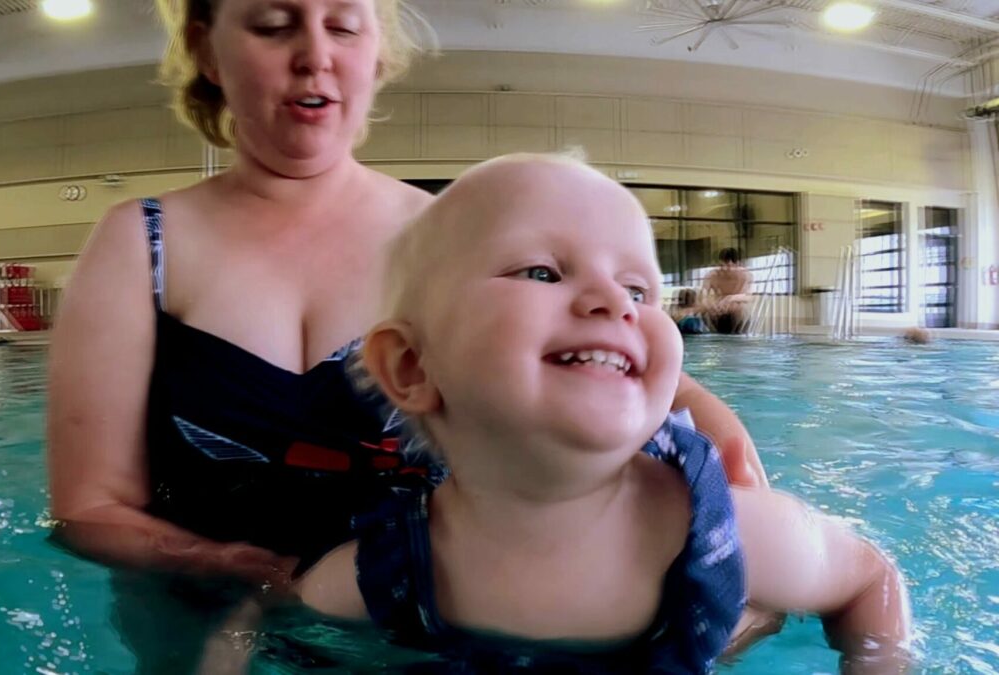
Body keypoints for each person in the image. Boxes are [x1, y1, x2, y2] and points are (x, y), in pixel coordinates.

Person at [47, 0, 767, 624]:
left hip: (416, 604)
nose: (315, 57)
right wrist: (229, 566)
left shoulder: (452, 232)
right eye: (273, 25)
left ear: (378, 55)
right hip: (193, 604)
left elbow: (590, 339)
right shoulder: (139, 244)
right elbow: (92, 507)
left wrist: (704, 411)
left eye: (344, 28)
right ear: (206, 47)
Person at [298, 154, 911, 673]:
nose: (615, 301)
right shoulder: (387, 570)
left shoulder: (732, 536)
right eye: (542, 272)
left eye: (639, 290)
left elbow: (867, 578)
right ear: (411, 368)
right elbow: (283, 618)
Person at [702, 247, 753, 334]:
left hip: (737, 311)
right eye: (722, 265)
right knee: (705, 312)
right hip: (718, 311)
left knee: (740, 310)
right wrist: (710, 305)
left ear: (737, 264)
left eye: (729, 266)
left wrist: (730, 298)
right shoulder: (712, 275)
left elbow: (748, 297)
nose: (725, 269)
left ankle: (738, 336)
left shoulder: (745, 275)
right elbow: (703, 296)